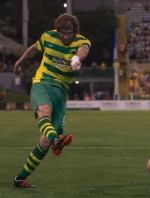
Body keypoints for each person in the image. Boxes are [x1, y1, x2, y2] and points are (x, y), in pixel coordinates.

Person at [13, 13, 91, 188]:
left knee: (45, 142)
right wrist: (19, 62)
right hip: (42, 84)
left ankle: (20, 179)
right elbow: (34, 48)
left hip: (60, 93)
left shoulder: (82, 41)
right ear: (58, 30)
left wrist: (77, 59)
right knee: (44, 112)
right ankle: (57, 139)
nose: (65, 36)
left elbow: (83, 50)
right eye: (62, 32)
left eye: (69, 33)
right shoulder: (48, 36)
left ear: (75, 32)